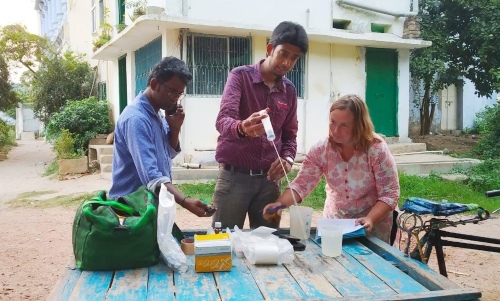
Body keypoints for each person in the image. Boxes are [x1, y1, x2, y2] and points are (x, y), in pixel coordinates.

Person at [263, 94, 400, 243]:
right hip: (335, 222)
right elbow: (302, 183)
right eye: (332, 122)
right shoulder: (322, 149)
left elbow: (390, 194)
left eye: (344, 125)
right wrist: (279, 204)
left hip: (373, 223)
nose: (335, 130)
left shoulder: (376, 150)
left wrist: (370, 219)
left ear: (359, 125)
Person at [212, 21, 309, 229]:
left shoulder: (289, 91)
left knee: (268, 246)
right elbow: (222, 121)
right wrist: (242, 128)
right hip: (234, 178)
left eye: (294, 58)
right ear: (269, 49)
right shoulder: (240, 76)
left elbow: (290, 135)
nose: (287, 63)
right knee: (224, 244)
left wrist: (288, 159)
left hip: (269, 183)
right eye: (283, 53)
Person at [109, 56, 214, 218]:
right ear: (154, 84)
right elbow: (153, 177)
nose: (175, 98)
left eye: (180, 94)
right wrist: (185, 201)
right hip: (131, 210)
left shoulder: (157, 113)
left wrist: (175, 128)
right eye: (172, 91)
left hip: (149, 206)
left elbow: (168, 154)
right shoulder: (137, 119)